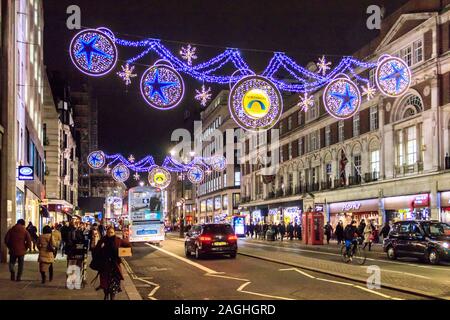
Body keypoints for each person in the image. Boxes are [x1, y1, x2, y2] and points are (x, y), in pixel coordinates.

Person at [94, 226, 131, 300]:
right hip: (105, 266)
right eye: (108, 232)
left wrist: (126, 252)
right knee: (105, 284)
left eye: (111, 232)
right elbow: (96, 250)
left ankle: (112, 298)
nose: (110, 234)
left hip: (115, 267)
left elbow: (128, 245)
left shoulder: (118, 240)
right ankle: (106, 294)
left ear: (114, 233)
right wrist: (100, 247)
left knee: (114, 285)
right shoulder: (103, 240)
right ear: (106, 233)